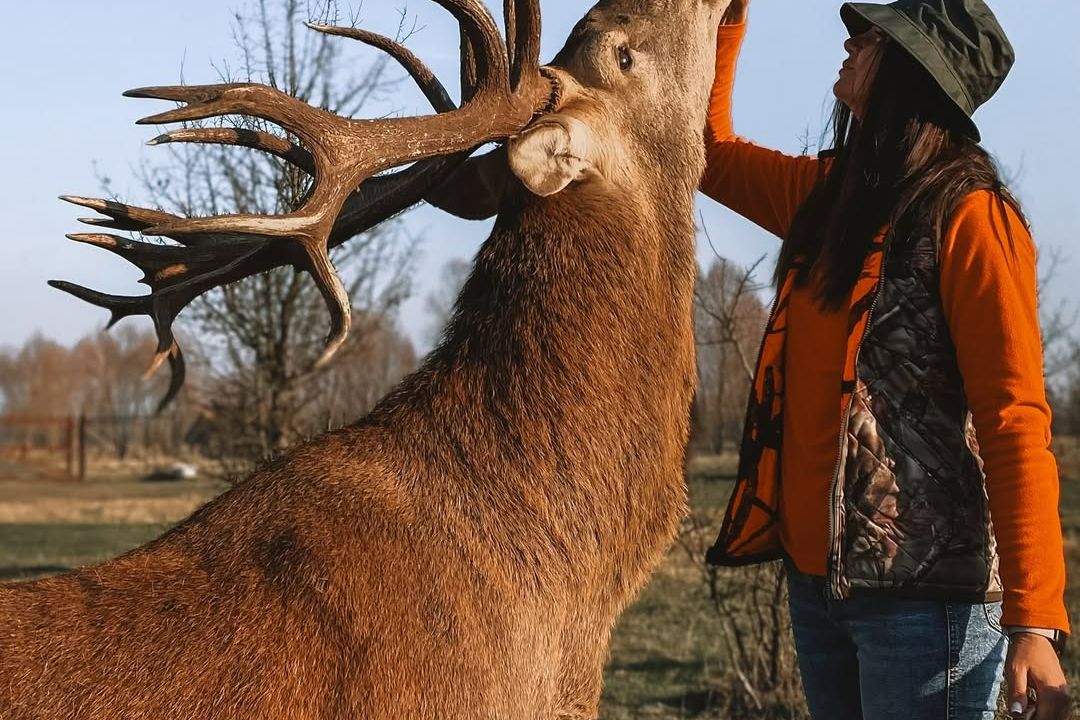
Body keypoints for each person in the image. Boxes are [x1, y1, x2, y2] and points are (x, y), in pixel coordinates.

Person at [699, 1, 1071, 718]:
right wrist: (726, 18)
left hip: (926, 612)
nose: (849, 41)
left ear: (911, 70)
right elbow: (706, 150)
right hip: (818, 591)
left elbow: (1015, 420)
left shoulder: (972, 218)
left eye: (870, 36)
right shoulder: (830, 198)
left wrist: (1034, 621)